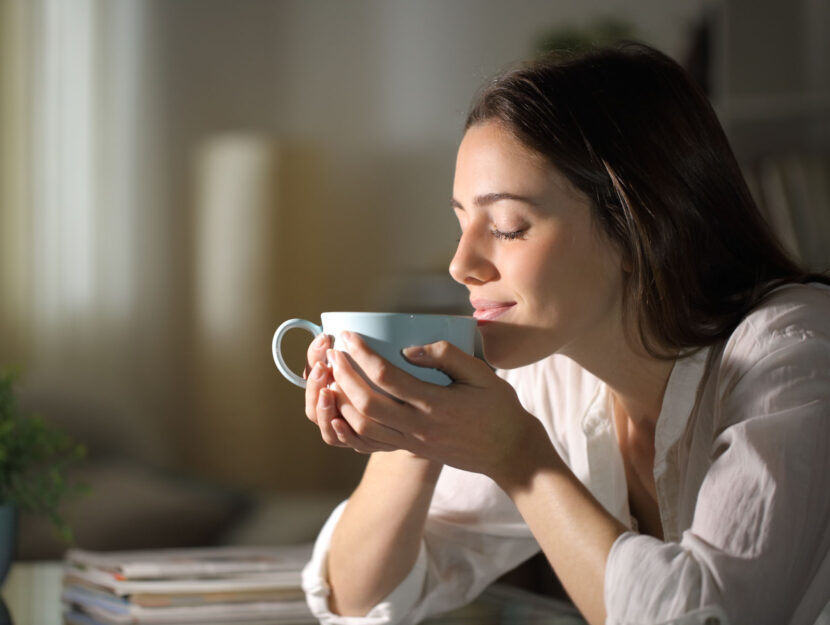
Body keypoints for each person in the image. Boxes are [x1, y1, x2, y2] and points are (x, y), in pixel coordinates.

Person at [298, 42, 830, 625]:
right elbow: (355, 599)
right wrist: (413, 426)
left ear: (638, 228)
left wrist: (520, 459)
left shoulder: (793, 353)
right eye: (460, 223)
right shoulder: (551, 371)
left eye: (506, 226)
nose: (460, 265)